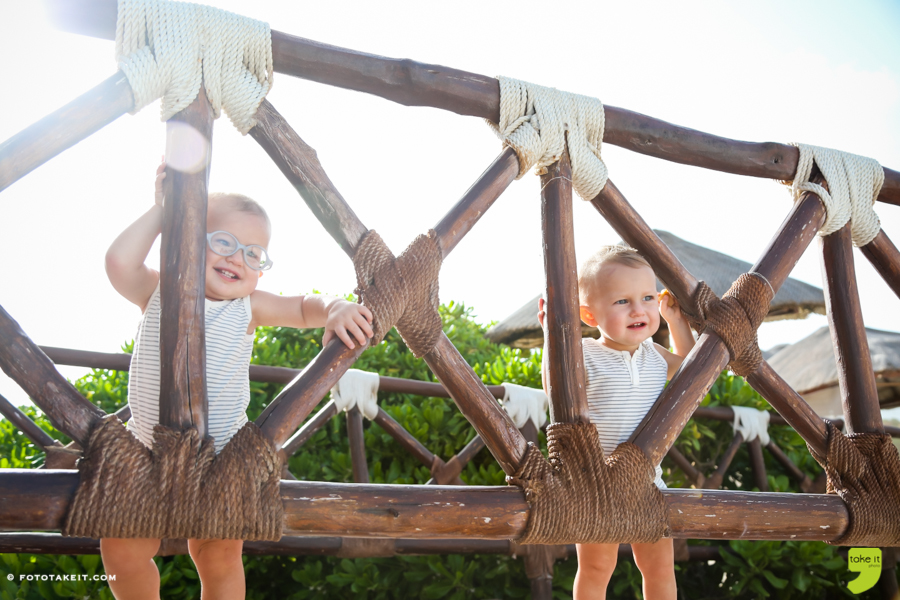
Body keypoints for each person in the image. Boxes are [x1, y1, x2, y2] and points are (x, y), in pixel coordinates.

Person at [100, 160, 374, 600]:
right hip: (148, 452)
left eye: (253, 254)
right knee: (121, 549)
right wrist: (163, 210)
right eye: (223, 242)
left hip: (222, 457)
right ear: (186, 240)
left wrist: (336, 307)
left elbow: (304, 306)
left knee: (220, 554)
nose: (236, 258)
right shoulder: (160, 291)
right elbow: (118, 261)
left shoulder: (248, 306)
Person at [538, 245, 695, 600]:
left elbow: (692, 372)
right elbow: (555, 385)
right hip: (594, 482)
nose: (638, 309)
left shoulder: (654, 355)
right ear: (590, 317)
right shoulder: (584, 352)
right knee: (596, 568)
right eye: (622, 302)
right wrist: (552, 337)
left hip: (647, 483)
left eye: (647, 297)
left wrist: (676, 322)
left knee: (659, 568)